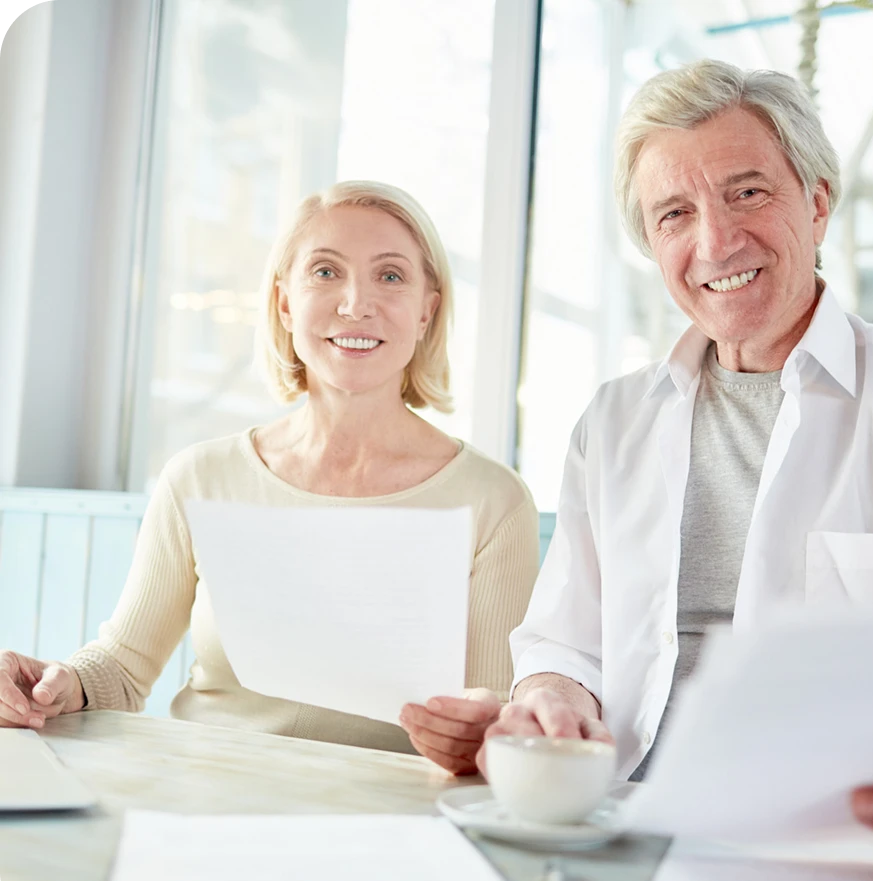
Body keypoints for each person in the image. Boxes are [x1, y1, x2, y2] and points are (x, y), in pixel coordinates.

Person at [406, 59, 873, 837]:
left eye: (748, 192)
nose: (716, 241)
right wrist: (551, 705)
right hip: (614, 820)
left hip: (827, 844)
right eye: (673, 214)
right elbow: (566, 639)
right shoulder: (615, 421)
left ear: (819, 202)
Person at [0, 180, 539, 771]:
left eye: (390, 276)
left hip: (395, 823)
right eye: (326, 272)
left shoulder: (493, 501)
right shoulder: (198, 478)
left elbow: (495, 712)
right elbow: (123, 670)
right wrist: (51, 688)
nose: (356, 303)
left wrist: (483, 734)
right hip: (207, 799)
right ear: (284, 303)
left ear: (426, 311)